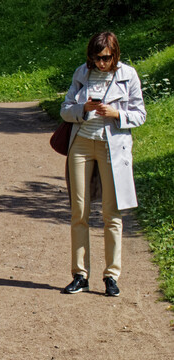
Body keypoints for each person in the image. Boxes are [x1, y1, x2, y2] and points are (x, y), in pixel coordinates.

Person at [60, 31, 146, 296]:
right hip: (82, 144)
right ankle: (80, 274)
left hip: (113, 147)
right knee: (79, 211)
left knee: (112, 214)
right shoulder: (81, 74)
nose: (101, 63)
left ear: (115, 53)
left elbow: (140, 114)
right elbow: (65, 110)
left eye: (106, 58)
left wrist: (116, 113)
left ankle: (111, 276)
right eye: (96, 58)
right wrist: (83, 109)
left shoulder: (128, 75)